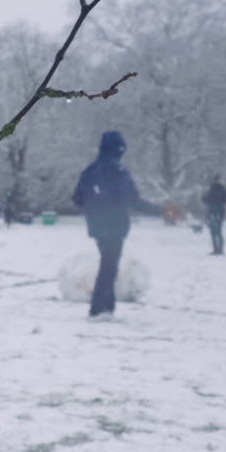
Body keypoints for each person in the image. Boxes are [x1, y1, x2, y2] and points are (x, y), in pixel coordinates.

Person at [72, 131, 160, 319]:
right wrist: (160, 211)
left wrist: (94, 205)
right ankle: (99, 308)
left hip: (97, 225)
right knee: (109, 266)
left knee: (108, 264)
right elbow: (133, 200)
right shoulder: (119, 172)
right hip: (116, 225)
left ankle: (105, 307)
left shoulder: (89, 172)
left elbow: (77, 198)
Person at [203, 176, 226, 255]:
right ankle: (220, 248)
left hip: (212, 211)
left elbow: (206, 200)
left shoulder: (211, 189)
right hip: (220, 212)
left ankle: (216, 249)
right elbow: (225, 200)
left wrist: (205, 198)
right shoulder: (223, 190)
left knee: (213, 232)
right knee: (219, 231)